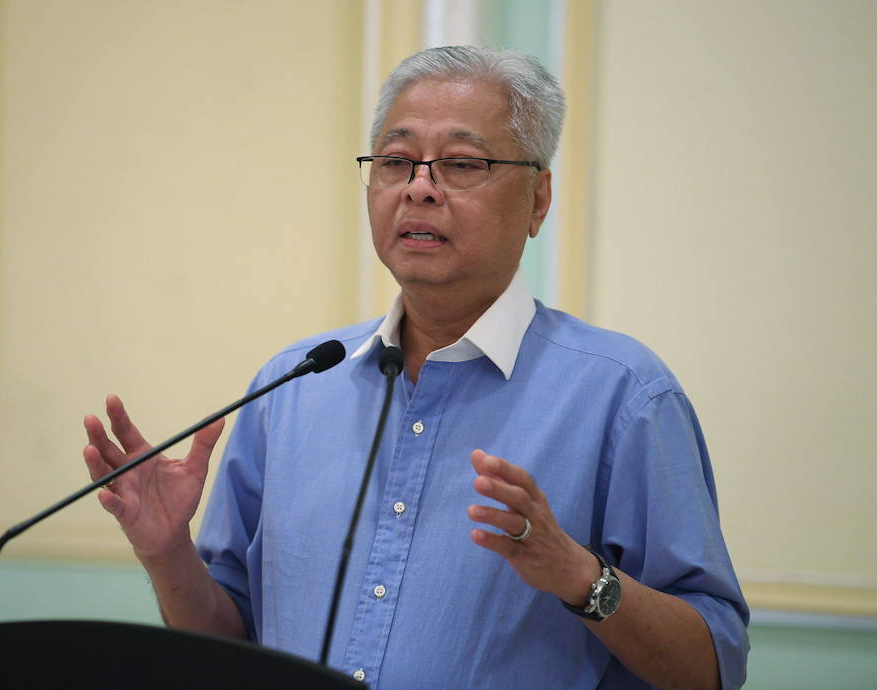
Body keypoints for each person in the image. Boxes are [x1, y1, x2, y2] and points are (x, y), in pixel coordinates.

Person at [84, 45, 749, 689]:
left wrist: (579, 576)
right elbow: (229, 650)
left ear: (538, 200)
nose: (419, 190)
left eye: (461, 164)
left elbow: (712, 665)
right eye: (397, 161)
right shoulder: (291, 387)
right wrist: (167, 551)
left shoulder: (624, 397)